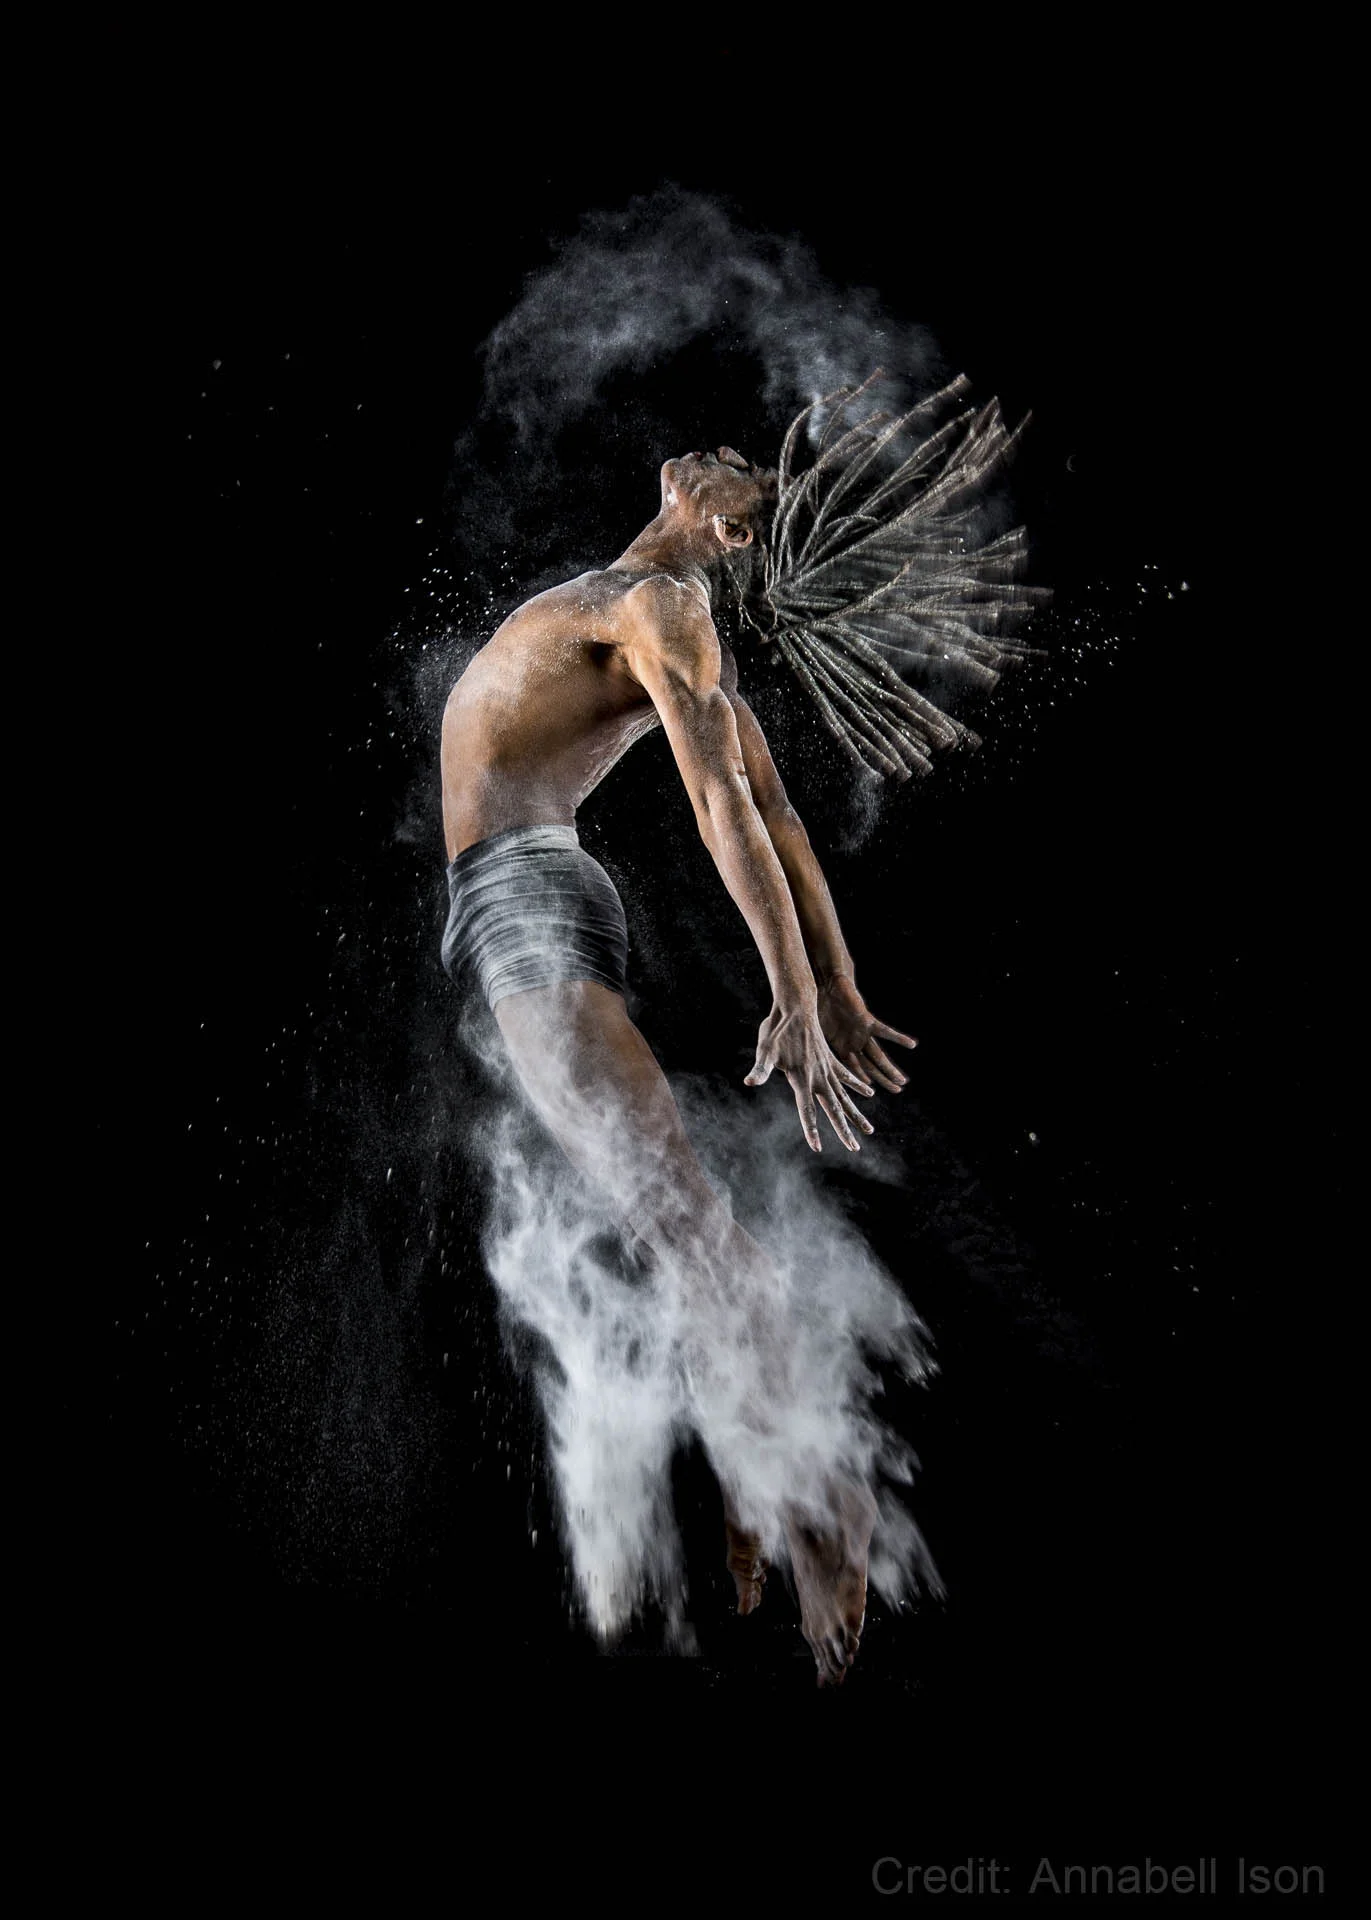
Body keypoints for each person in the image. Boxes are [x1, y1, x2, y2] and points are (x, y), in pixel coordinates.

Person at [440, 446, 919, 1684]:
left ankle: (825, 1510)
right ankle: (763, 1474)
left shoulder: (668, 608)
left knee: (693, 1236)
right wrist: (846, 988)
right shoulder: (645, 606)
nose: (737, 458)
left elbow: (730, 806)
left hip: (525, 900)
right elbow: (779, 813)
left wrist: (803, 997)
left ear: (729, 531)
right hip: (535, 888)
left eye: (752, 478)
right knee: (681, 1236)